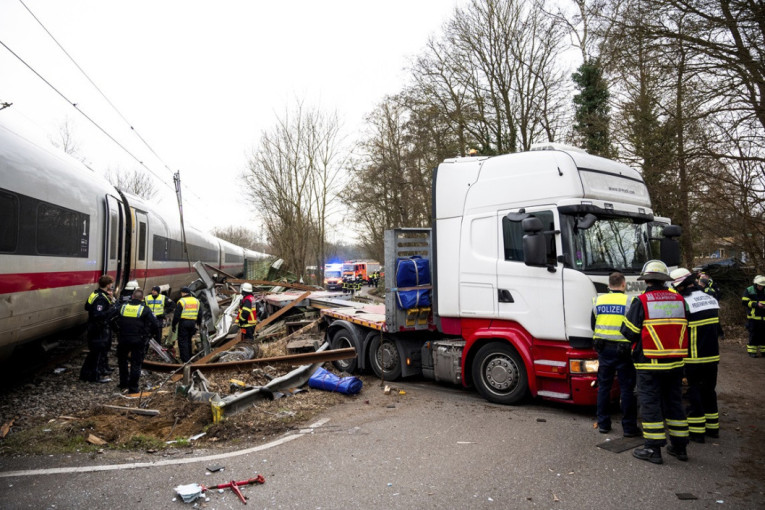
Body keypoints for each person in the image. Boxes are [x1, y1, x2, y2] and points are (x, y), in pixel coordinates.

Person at [621, 260, 690, 464]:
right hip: (676, 363)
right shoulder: (679, 300)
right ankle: (680, 447)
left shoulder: (641, 301)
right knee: (674, 404)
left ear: (647, 280)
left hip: (650, 364)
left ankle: (653, 449)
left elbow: (629, 332)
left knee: (650, 405)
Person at [671, 267, 721, 442]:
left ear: (681, 286)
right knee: (709, 390)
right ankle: (713, 428)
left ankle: (697, 432)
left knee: (695, 392)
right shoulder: (710, 298)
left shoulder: (684, 302)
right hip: (713, 356)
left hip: (694, 357)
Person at [591, 272, 639, 437]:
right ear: (624, 284)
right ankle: (629, 428)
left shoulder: (598, 300)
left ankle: (603, 424)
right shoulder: (630, 301)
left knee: (604, 387)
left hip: (603, 349)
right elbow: (635, 327)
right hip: (624, 350)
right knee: (626, 389)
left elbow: (593, 323)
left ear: (609, 285)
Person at [116, 288, 158, 394]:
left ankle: (123, 383)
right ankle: (133, 388)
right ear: (142, 298)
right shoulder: (145, 309)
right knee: (136, 363)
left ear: (132, 297)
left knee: (122, 361)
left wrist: (117, 331)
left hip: (123, 338)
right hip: (138, 340)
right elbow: (155, 324)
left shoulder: (123, 306)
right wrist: (149, 335)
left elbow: (110, 318)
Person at [80, 275, 118, 383]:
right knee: (97, 353)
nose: (112, 286)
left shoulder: (95, 294)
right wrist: (112, 310)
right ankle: (95, 376)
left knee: (94, 352)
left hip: (94, 327)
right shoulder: (101, 298)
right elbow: (98, 315)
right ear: (108, 285)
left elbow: (87, 306)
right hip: (98, 328)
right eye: (111, 284)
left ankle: (85, 374)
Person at [172, 287, 200, 363]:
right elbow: (200, 313)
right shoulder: (196, 301)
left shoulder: (181, 301)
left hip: (184, 323)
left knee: (182, 341)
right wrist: (198, 323)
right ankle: (189, 356)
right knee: (188, 340)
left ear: (184, 293)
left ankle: (185, 359)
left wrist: (174, 325)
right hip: (192, 323)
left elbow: (176, 315)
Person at [742, 275, 765, 357]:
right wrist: (756, 304)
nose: (761, 287)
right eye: (759, 286)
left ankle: (764, 351)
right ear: (755, 284)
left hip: (763, 317)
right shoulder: (749, 290)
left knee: (763, 335)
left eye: (762, 286)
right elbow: (744, 302)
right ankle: (752, 352)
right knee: (754, 334)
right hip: (753, 317)